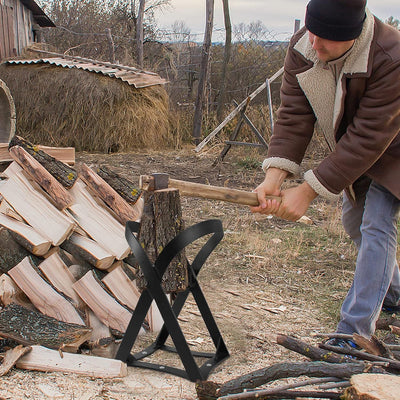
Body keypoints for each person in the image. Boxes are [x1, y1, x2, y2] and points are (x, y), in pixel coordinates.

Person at [251, 0, 400, 346]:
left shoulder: (391, 57)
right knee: (354, 223)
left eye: (325, 40)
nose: (314, 45)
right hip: (358, 146)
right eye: (312, 33)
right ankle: (391, 292)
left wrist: (306, 191)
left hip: (392, 148)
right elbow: (294, 115)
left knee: (376, 223)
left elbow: (368, 139)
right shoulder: (305, 45)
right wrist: (274, 177)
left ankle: (352, 334)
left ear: (353, 36)